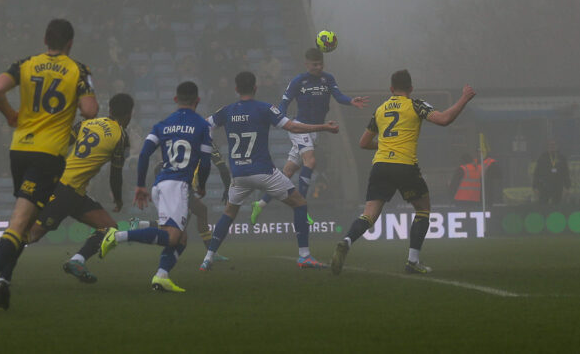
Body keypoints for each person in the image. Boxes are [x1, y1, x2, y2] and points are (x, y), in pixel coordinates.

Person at [0, 18, 98, 315]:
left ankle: (4, 278)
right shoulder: (78, 69)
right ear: (70, 44)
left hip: (20, 149)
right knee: (20, 223)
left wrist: (10, 115)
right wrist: (84, 105)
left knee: (25, 223)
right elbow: (90, 110)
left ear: (45, 40)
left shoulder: (25, 63)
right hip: (48, 154)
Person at [331, 70, 475, 276]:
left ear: (391, 89)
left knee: (369, 214)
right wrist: (464, 98)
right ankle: (413, 261)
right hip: (404, 164)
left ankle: (346, 240)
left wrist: (386, 143)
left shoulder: (380, 110)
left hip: (380, 165)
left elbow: (363, 143)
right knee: (423, 209)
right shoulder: (416, 104)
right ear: (411, 89)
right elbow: (444, 119)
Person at [199, 71, 339, 271]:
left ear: (236, 89)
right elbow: (293, 127)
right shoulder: (265, 108)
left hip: (239, 174)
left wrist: (207, 144)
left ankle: (208, 258)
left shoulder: (227, 111)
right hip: (265, 173)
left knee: (229, 213)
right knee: (299, 203)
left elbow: (205, 125)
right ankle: (304, 256)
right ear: (256, 88)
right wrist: (324, 127)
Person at [99, 81, 212, 293]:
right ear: (197, 100)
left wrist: (140, 185)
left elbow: (143, 154)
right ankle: (118, 236)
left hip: (160, 183)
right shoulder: (203, 126)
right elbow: (205, 162)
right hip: (177, 186)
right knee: (172, 237)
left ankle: (161, 276)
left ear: (176, 99)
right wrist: (202, 185)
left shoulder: (162, 124)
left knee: (181, 238)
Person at [24, 93, 134, 285]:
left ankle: (77, 261)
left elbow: (62, 143)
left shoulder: (87, 124)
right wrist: (118, 199)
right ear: (129, 115)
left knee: (109, 228)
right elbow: (115, 174)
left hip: (73, 190)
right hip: (66, 190)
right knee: (33, 234)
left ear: (109, 110)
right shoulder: (121, 137)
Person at [249, 48, 368, 224]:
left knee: (287, 172)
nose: (318, 67)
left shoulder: (328, 79)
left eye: (320, 64)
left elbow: (338, 95)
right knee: (311, 161)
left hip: (315, 132)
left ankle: (260, 204)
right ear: (307, 64)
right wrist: (280, 119)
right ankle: (301, 207)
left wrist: (351, 101)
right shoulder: (299, 81)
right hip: (300, 128)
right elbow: (284, 102)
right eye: (314, 64)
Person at [532, 140, 571, 205]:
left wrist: (567, 187)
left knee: (557, 206)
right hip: (544, 186)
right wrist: (535, 186)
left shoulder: (562, 158)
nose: (552, 146)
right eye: (550, 145)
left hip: (558, 186)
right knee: (543, 206)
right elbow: (537, 173)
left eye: (554, 145)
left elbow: (566, 173)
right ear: (547, 146)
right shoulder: (542, 158)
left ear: (557, 146)